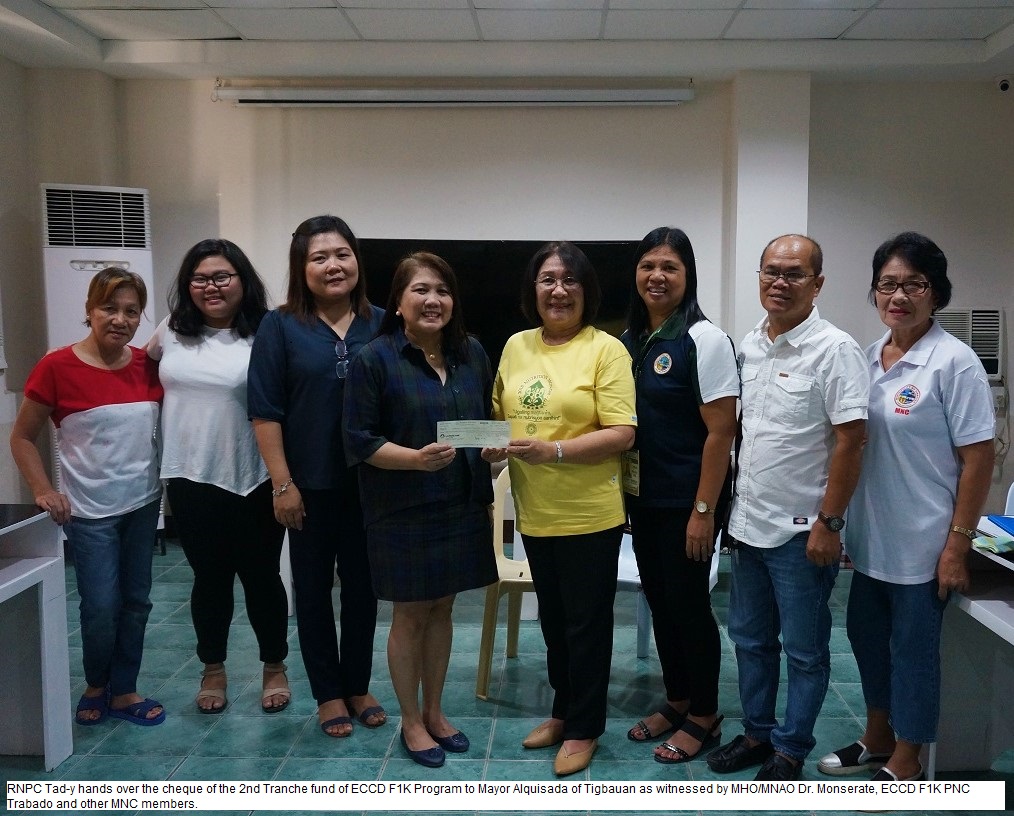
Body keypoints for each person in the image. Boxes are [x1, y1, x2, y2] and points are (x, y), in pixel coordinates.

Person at [817, 233, 995, 782]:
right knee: (866, 640)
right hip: (871, 542)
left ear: (934, 293)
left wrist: (957, 544)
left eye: (913, 284)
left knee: (913, 655)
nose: (899, 296)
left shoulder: (953, 363)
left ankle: (909, 755)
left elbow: (979, 459)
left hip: (923, 544)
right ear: (874, 293)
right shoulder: (867, 357)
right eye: (888, 284)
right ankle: (877, 734)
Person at [706, 234, 869, 781]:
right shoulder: (748, 346)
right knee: (750, 640)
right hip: (748, 528)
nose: (780, 282)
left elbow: (852, 441)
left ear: (817, 284)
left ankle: (791, 748)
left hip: (803, 534)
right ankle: (757, 734)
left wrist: (830, 523)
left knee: (804, 651)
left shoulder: (835, 349)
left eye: (794, 274)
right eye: (771, 271)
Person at [484, 241, 637, 777]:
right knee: (553, 623)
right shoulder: (516, 346)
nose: (559, 289)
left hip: (590, 513)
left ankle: (584, 728)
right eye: (548, 279)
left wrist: (555, 451)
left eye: (571, 280)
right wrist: (492, 446)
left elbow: (622, 432)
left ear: (586, 291)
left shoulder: (606, 349)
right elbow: (501, 416)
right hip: (536, 510)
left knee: (586, 626)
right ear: (534, 289)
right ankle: (562, 711)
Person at [344, 252, 497, 769]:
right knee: (409, 613)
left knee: (444, 608)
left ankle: (435, 711)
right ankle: (410, 720)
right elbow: (359, 441)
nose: (434, 301)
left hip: (460, 503)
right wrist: (414, 460)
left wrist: (494, 450)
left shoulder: (471, 353)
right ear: (400, 302)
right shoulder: (375, 359)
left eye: (443, 291)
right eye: (421, 291)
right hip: (401, 508)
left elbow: (483, 422)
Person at [248, 215, 386, 737]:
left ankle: (358, 684)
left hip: (371, 486)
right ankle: (327, 693)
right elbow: (265, 412)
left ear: (357, 260)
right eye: (319, 257)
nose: (333, 265)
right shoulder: (279, 326)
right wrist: (282, 484)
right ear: (301, 268)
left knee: (363, 592)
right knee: (310, 591)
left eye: (342, 254)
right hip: (306, 488)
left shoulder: (383, 322)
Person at [10, 267, 165, 727]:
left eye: (131, 311)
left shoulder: (146, 365)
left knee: (136, 601)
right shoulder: (56, 367)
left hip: (143, 503)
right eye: (109, 308)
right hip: (90, 511)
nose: (120, 319)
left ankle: (126, 689)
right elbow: (22, 438)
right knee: (100, 604)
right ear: (89, 311)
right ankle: (97, 684)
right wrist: (42, 489)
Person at [148, 239, 289, 715]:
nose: (211, 286)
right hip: (189, 475)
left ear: (242, 281)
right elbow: (131, 365)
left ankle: (274, 665)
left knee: (261, 577)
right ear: (188, 286)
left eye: (222, 277)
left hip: (254, 475)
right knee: (208, 579)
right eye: (200, 278)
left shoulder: (268, 331)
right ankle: (213, 669)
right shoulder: (170, 330)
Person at [622, 227, 739, 763]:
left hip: (688, 502)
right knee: (661, 603)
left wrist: (703, 512)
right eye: (648, 265)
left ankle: (706, 713)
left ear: (688, 275)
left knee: (690, 607)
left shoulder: (704, 340)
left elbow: (721, 432)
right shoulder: (630, 340)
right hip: (642, 500)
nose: (657, 276)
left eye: (669, 266)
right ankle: (676, 698)